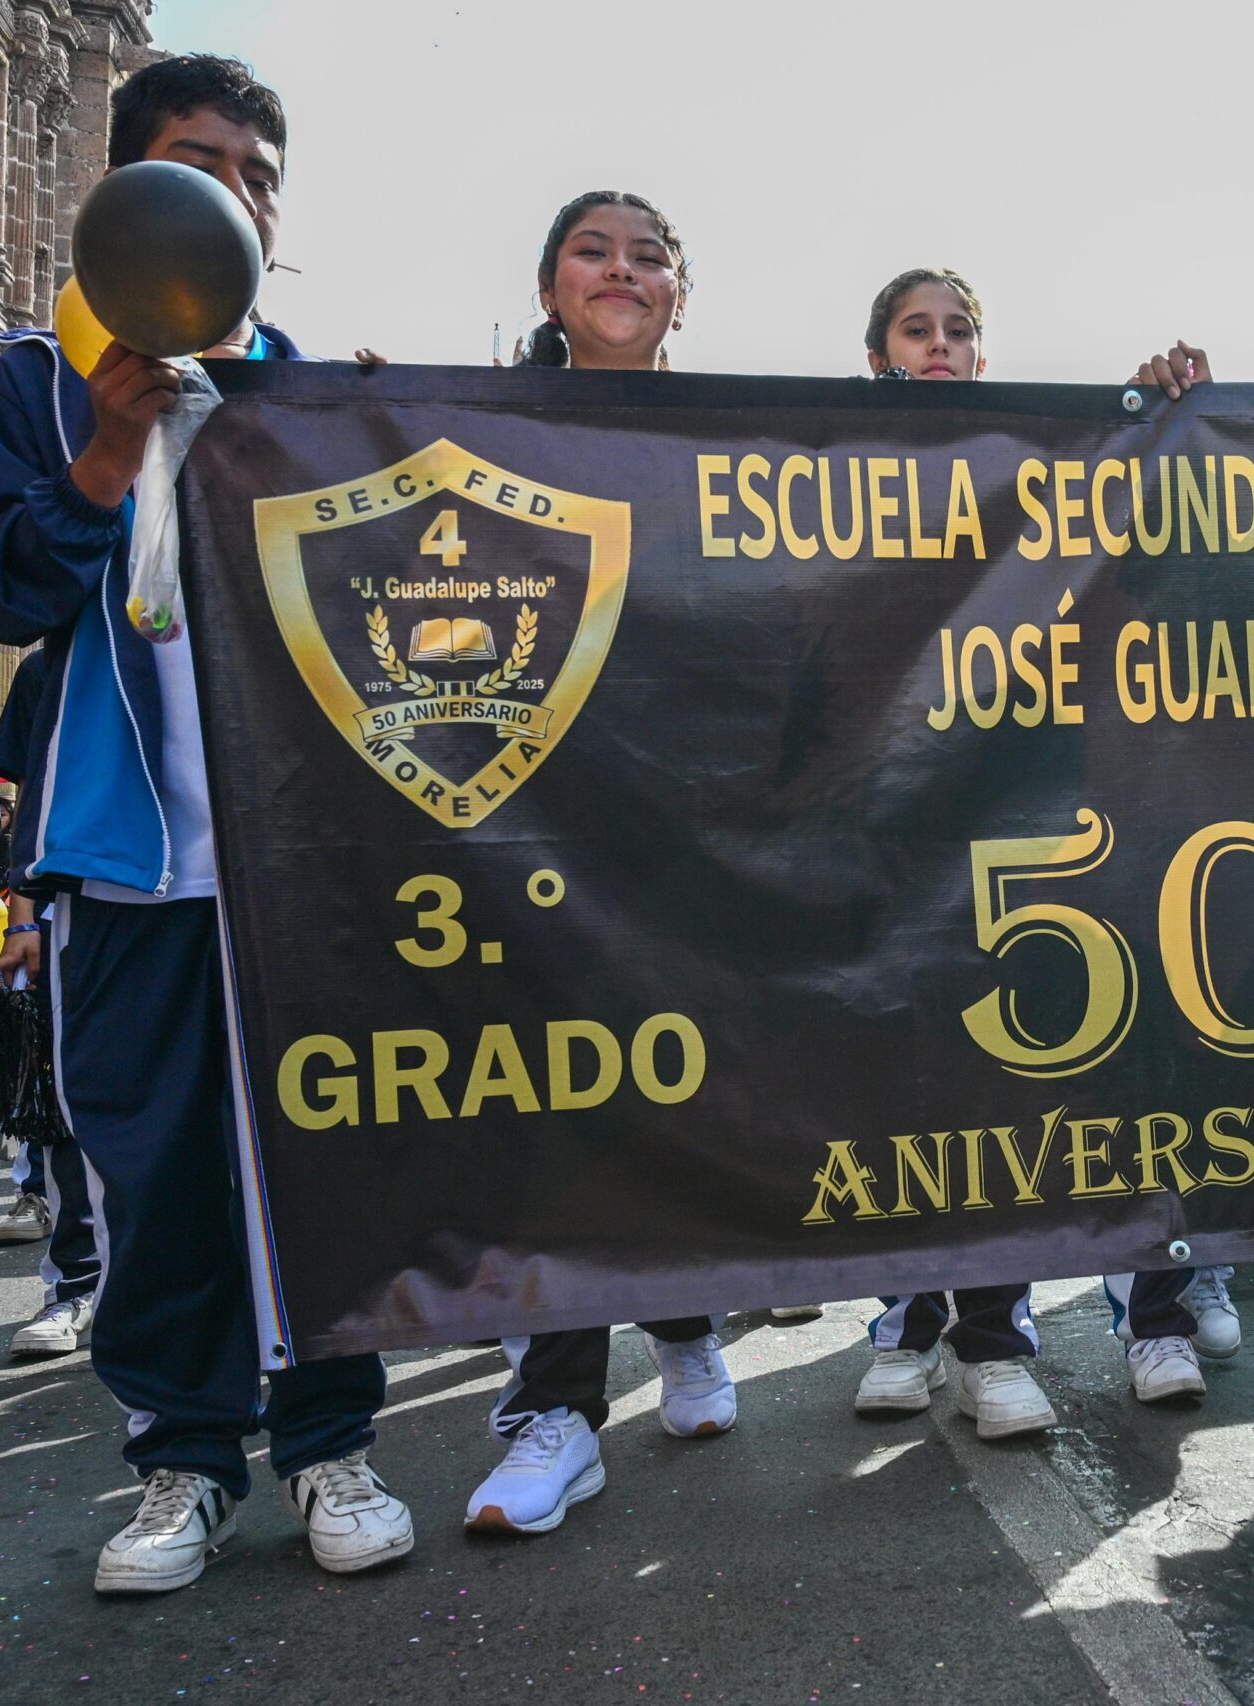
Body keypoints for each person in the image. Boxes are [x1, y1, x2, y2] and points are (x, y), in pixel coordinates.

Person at [0, 54, 415, 1592]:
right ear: (126, 188)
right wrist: (99, 461)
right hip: (126, 856)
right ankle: (183, 1461)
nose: (236, 197)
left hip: (297, 861)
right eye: (200, 166)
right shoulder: (34, 381)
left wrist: (389, 450)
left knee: (319, 1159)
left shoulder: (309, 392)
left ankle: (332, 1441)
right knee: (155, 1171)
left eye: (260, 178)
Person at [857, 269, 1233, 1420]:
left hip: (1057, 815)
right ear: (876, 357)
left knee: (1105, 1066)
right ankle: (928, 1320)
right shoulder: (830, 479)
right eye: (915, 329)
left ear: (982, 351)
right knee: (932, 1087)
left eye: (958, 329)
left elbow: (1138, 548)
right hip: (909, 825)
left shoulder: (1043, 462)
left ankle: (1135, 1311)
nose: (939, 345)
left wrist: (1153, 419)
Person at [461, 190, 737, 1541]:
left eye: (647, 254)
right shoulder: (477, 425)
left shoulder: (743, 432)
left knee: (675, 1094)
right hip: (540, 820)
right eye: (592, 250)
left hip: (689, 822)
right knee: (552, 1102)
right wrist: (341, 406)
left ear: (681, 288)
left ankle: (686, 1325)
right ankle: (557, 1407)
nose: (621, 270)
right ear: (548, 283)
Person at [0, 645, 104, 1355]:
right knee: (68, 1110)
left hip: (212, 907)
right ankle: (76, 1285)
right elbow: (32, 795)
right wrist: (23, 919)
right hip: (76, 911)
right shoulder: (49, 661)